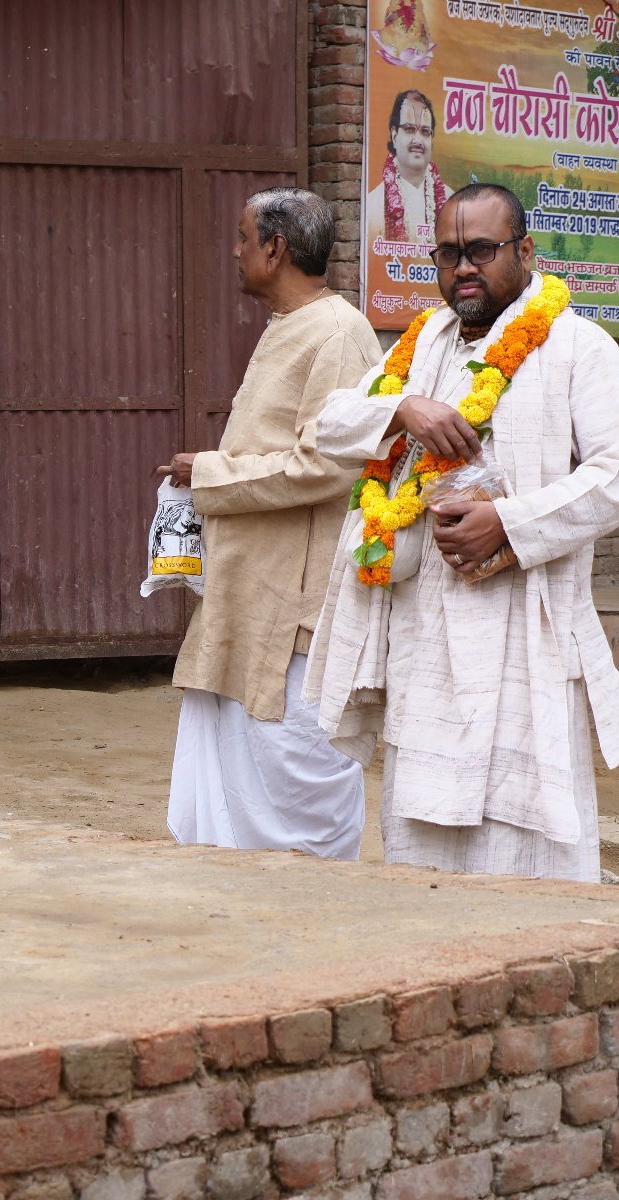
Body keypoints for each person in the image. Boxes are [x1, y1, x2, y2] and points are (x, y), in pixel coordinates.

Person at [305, 183, 619, 882]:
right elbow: (327, 425)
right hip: (424, 635)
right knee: (420, 839)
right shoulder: (421, 345)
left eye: (482, 252)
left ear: (524, 252)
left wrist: (510, 523)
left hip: (523, 629)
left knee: (528, 840)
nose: (464, 268)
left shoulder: (579, 347)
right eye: (449, 254)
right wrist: (406, 408)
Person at [156, 188, 382, 858]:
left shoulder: (339, 333)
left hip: (298, 600)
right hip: (254, 583)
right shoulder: (292, 324)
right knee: (244, 756)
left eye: (242, 237)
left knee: (296, 759)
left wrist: (213, 475)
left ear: (276, 250)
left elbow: (328, 466)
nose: (235, 250)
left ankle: (310, 903)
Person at [364, 90, 447, 247]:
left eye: (425, 131)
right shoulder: (374, 206)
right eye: (409, 129)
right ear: (394, 135)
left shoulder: (451, 202)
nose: (418, 140)